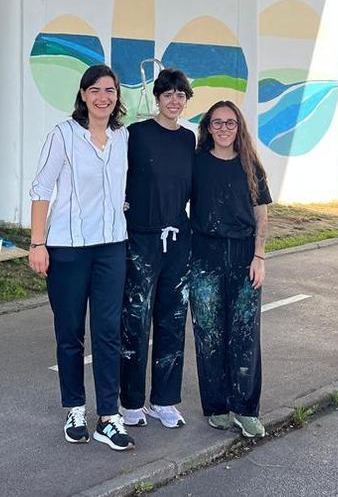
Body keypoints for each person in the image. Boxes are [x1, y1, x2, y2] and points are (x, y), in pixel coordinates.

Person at [28, 64, 133, 451]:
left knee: (108, 332)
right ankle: (75, 409)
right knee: (70, 333)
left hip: (111, 248)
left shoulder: (123, 138)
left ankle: (109, 416)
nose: (103, 97)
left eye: (110, 90)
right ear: (84, 95)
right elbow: (40, 189)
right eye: (96, 90)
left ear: (117, 96)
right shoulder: (63, 135)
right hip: (67, 250)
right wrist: (37, 244)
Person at [188, 100, 271, 438]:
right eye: (217, 123)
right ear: (208, 127)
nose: (224, 128)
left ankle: (246, 408)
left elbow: (261, 214)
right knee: (209, 334)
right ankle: (217, 406)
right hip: (204, 255)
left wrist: (259, 256)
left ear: (239, 128)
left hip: (243, 256)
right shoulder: (195, 164)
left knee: (244, 335)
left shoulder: (252, 166)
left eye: (230, 123)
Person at [118, 68, 195, 429]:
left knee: (173, 321)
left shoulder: (188, 139)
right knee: (135, 321)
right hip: (141, 239)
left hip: (178, 241)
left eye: (181, 95)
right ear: (157, 97)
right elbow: (115, 177)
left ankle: (163, 401)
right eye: (168, 94)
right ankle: (130, 402)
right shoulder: (136, 135)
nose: (174, 100)